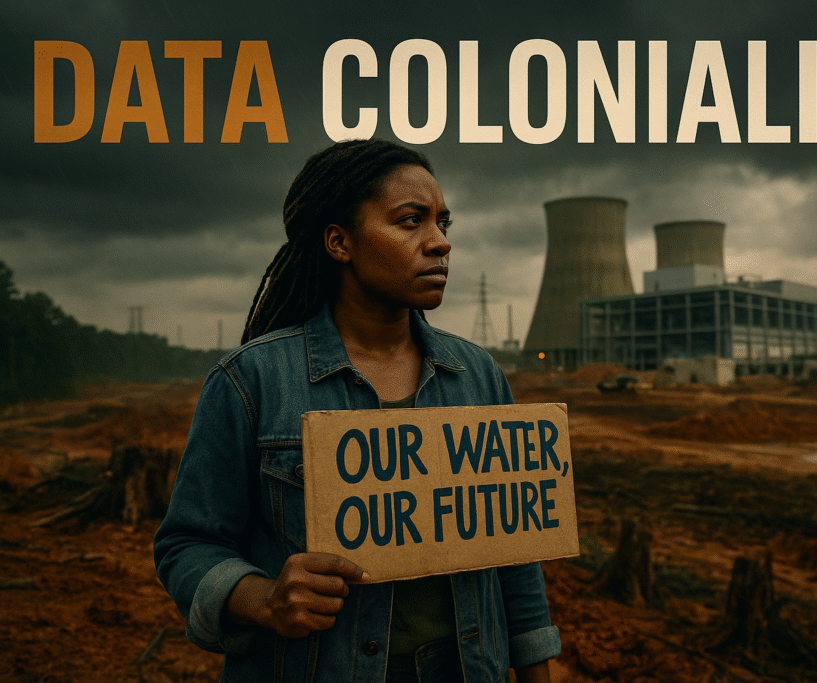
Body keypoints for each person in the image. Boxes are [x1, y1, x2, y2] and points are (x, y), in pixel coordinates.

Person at [154, 139, 560, 683]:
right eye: (410, 221)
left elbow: (515, 552)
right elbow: (186, 545)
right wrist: (265, 599)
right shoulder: (251, 381)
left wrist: (536, 667)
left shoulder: (477, 375)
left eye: (443, 223)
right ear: (339, 242)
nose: (440, 243)